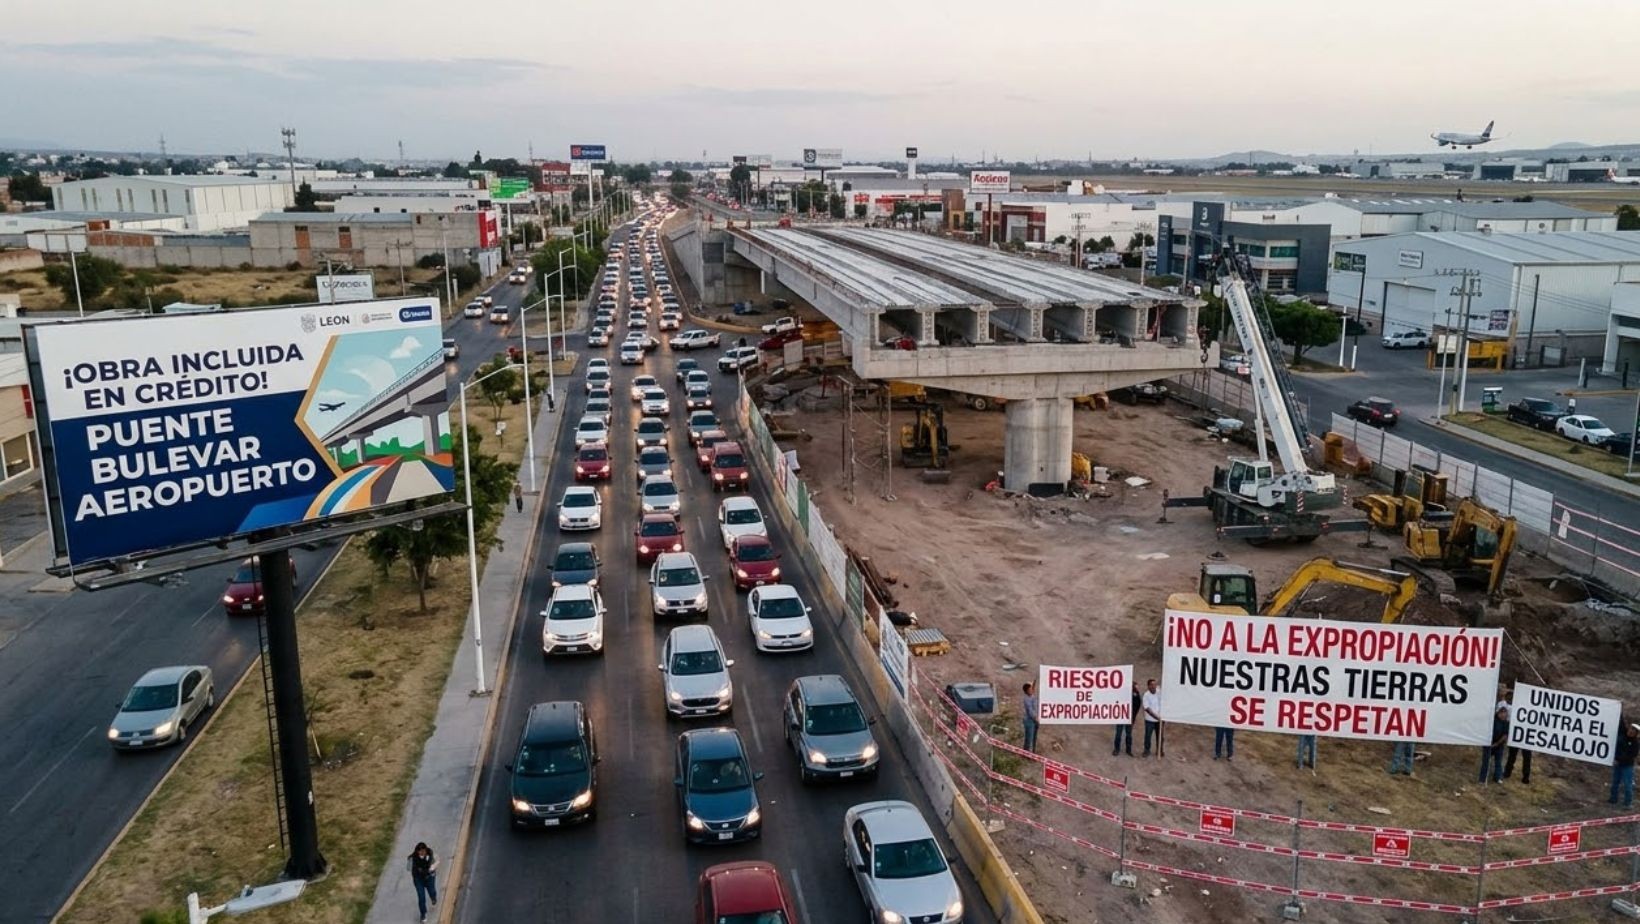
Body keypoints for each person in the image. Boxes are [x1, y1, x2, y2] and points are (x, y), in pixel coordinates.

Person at [408, 842, 439, 923]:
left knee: (431, 891)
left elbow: (437, 860)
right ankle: (423, 914)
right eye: (420, 851)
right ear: (417, 851)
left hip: (429, 877)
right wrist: (415, 869)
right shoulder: (413, 858)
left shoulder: (430, 853)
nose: (423, 852)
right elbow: (408, 868)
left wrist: (433, 867)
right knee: (421, 897)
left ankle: (433, 897)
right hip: (419, 879)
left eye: (424, 850)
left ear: (426, 849)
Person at [1611, 723, 1639, 809]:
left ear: (1636, 734)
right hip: (1618, 764)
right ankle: (1613, 799)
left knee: (1628, 784)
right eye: (1630, 729)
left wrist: (1618, 759)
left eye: (1633, 731)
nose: (1631, 731)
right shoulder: (1622, 735)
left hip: (1627, 766)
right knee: (1615, 782)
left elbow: (1631, 756)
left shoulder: (1635, 744)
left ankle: (1628, 803)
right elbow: (1620, 721)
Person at [1478, 705, 1509, 784]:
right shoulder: (1492, 721)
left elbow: (1505, 735)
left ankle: (1498, 777)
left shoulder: (1506, 723)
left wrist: (1497, 743)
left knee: (1498, 762)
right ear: (1498, 713)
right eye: (1501, 713)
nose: (1503, 715)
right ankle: (1482, 779)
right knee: (1486, 762)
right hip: (1488, 744)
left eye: (1505, 713)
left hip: (1499, 745)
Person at [1113, 683, 1139, 756]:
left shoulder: (1136, 694)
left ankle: (1128, 750)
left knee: (1129, 734)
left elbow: (1137, 706)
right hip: (1121, 716)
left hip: (1129, 718)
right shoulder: (1121, 693)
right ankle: (1116, 749)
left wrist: (1133, 718)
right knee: (1118, 733)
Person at [1141, 679, 1162, 757]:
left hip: (1160, 719)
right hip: (1150, 720)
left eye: (1155, 685)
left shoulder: (1159, 691)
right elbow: (1147, 709)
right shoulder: (1146, 696)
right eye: (1152, 685)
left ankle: (1159, 750)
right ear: (1148, 686)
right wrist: (1157, 717)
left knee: (1160, 736)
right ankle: (1146, 750)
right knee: (1148, 736)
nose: (1154, 686)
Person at [1021, 683, 1040, 754]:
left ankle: (1033, 753)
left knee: (1034, 737)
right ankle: (1027, 753)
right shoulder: (1026, 699)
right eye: (1030, 689)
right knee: (1029, 738)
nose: (1032, 690)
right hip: (1029, 721)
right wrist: (1036, 718)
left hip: (1035, 720)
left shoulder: (1033, 696)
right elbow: (1030, 711)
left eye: (1032, 689)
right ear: (1026, 691)